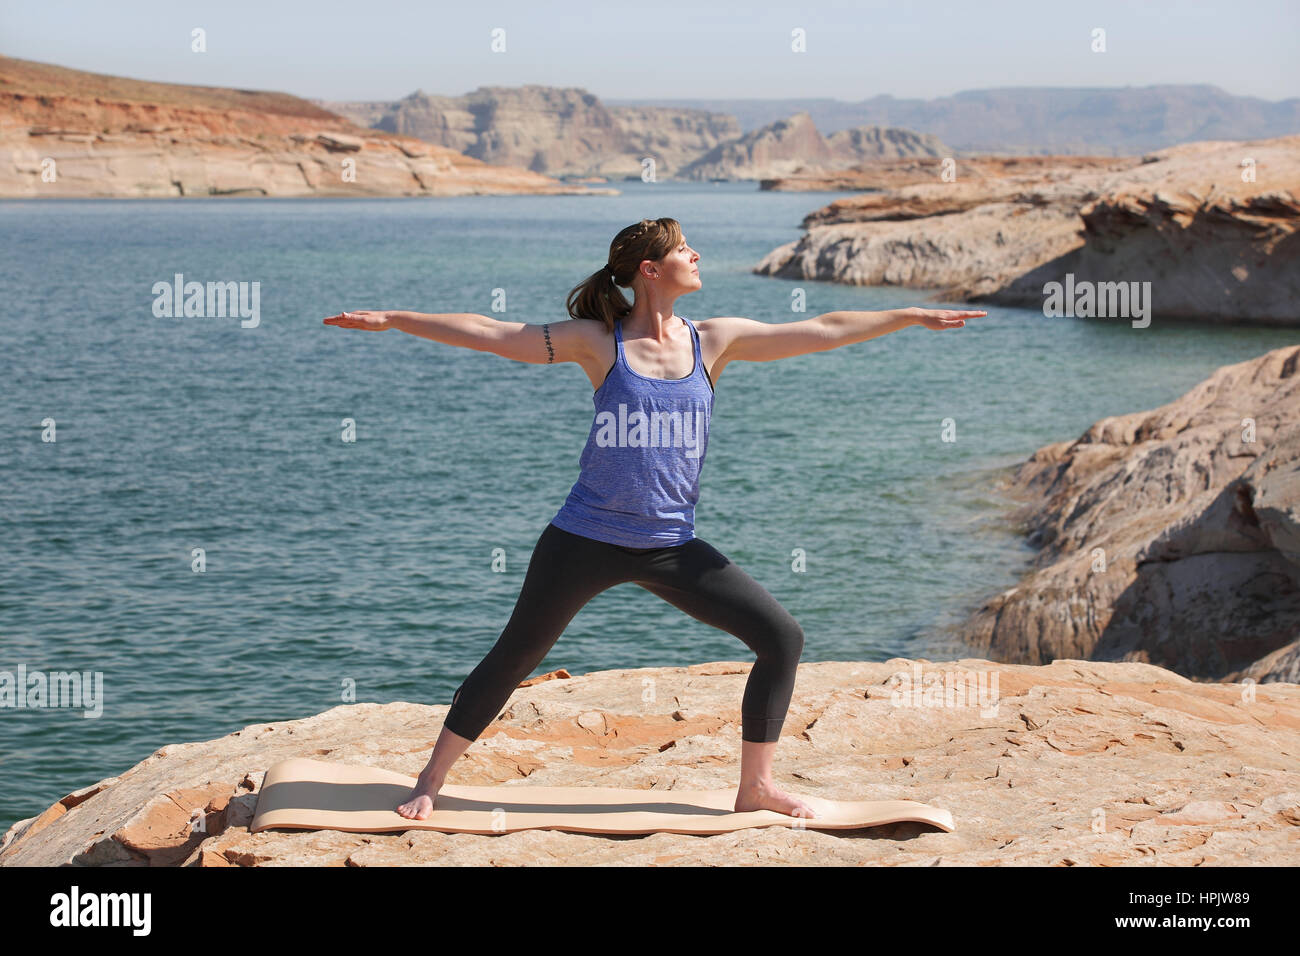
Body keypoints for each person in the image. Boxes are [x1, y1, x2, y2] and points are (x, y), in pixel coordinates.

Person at [322, 217, 983, 821]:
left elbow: (823, 329)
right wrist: (396, 319)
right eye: (683, 250)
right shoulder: (596, 342)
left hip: (671, 546)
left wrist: (907, 315)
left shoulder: (713, 340)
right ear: (649, 270)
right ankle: (431, 780)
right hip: (584, 539)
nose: (696, 255)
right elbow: (497, 335)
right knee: (516, 654)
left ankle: (756, 786)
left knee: (781, 638)